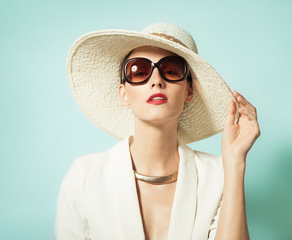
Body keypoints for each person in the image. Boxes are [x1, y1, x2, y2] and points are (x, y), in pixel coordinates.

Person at [55, 23, 260, 240]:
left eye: (171, 70)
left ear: (189, 91)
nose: (156, 81)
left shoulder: (218, 174)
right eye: (139, 71)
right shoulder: (85, 176)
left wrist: (235, 162)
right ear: (123, 93)